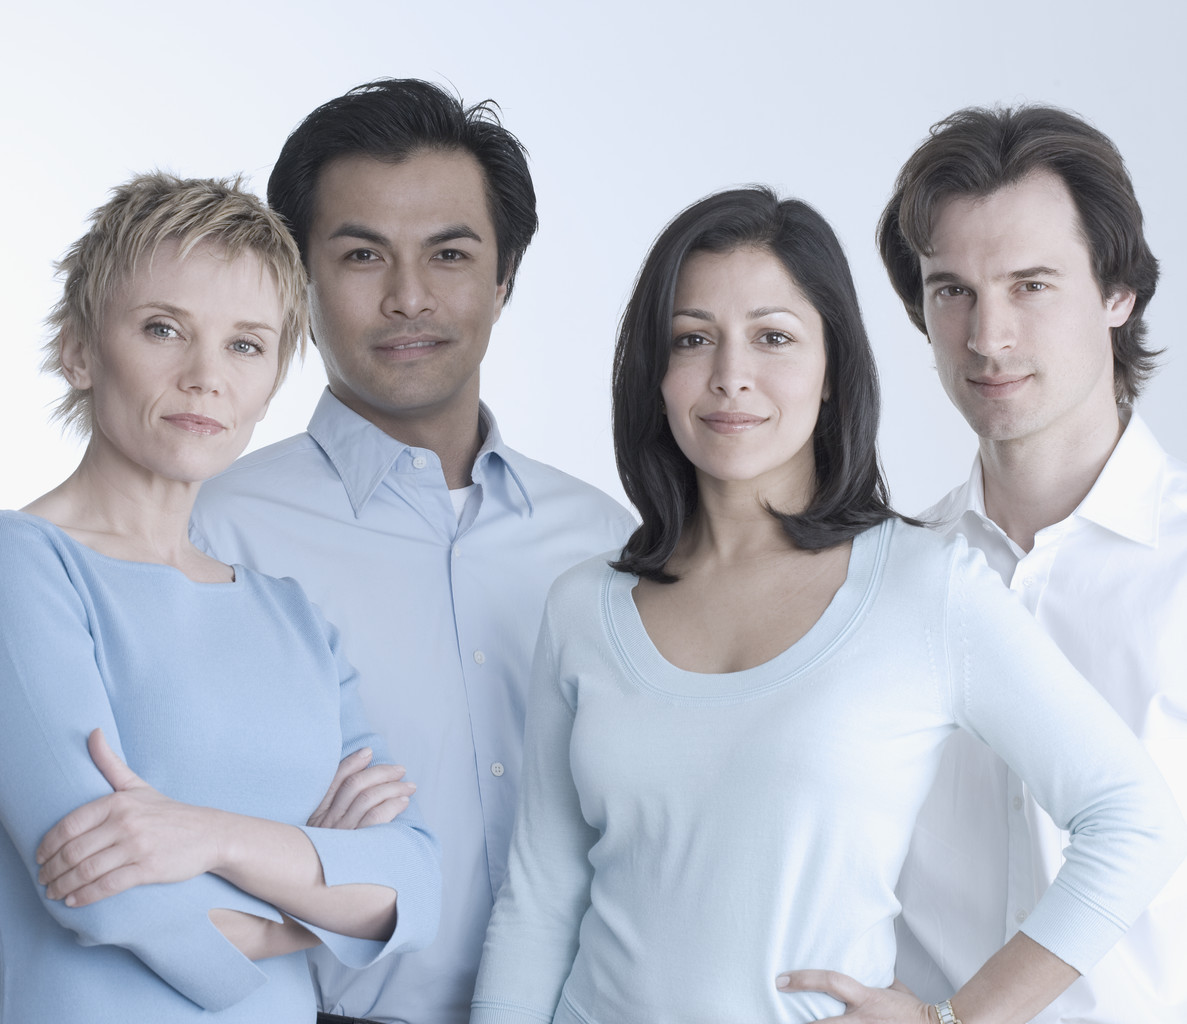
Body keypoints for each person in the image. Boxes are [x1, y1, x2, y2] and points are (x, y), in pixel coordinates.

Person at [468, 187, 1186, 1024]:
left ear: (833, 371)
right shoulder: (585, 605)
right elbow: (541, 899)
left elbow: (1128, 819)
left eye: (773, 338)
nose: (730, 375)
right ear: (655, 376)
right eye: (692, 339)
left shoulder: (926, 585)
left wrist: (953, 1020)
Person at [190, 79, 635, 1024]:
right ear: (296, 281)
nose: (408, 297)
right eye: (360, 255)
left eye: (449, 253)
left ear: (504, 279)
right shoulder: (217, 534)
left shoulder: (606, 541)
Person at [0, 172, 441, 1022]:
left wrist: (209, 837)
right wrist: (317, 899)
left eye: (246, 344)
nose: (207, 377)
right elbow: (102, 896)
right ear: (79, 349)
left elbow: (412, 880)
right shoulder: (23, 567)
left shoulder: (290, 615)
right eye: (164, 329)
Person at [873, 105, 1187, 1022]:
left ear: (1118, 291)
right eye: (951, 290)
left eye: (1031, 285)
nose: (986, 335)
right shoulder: (884, 576)